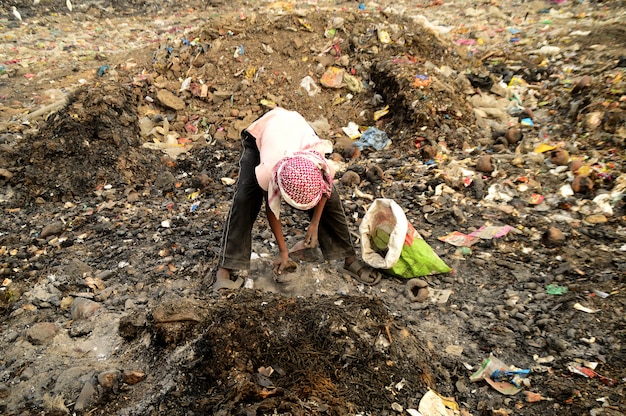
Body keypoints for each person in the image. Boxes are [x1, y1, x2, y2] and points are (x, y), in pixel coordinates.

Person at [213, 107, 382, 291]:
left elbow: (325, 191)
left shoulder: (319, 162)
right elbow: (272, 208)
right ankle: (227, 265)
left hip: (295, 131)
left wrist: (314, 225)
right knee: (245, 198)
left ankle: (348, 257)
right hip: (262, 134)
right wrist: (283, 251)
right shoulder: (268, 170)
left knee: (332, 200)